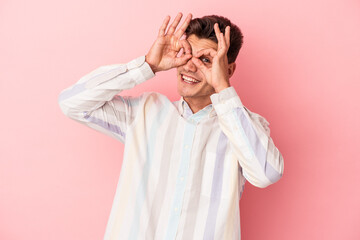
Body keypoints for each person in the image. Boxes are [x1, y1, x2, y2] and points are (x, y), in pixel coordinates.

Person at [58, 12, 284, 240]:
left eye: (206, 60)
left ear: (228, 70)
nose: (190, 67)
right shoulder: (143, 112)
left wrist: (223, 89)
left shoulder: (245, 127)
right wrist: (148, 65)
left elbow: (266, 174)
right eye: (187, 54)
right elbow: (72, 104)